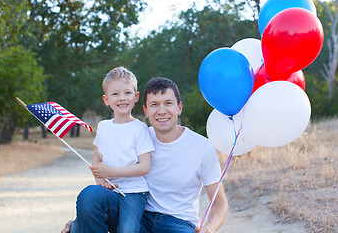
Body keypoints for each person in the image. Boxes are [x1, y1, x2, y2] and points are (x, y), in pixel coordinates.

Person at [62, 77, 228, 233]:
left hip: (178, 222)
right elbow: (102, 168)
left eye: (168, 103)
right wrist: (81, 224)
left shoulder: (202, 147)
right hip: (138, 216)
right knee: (90, 195)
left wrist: (208, 229)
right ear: (145, 111)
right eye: (154, 105)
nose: (162, 111)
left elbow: (219, 203)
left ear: (179, 107)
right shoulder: (137, 136)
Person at [69, 66, 155, 233]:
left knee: (127, 230)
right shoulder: (103, 127)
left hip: (134, 192)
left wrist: (110, 171)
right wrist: (100, 180)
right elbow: (96, 159)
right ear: (106, 99)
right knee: (90, 206)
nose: (122, 98)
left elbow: (145, 167)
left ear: (136, 96)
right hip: (110, 190)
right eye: (115, 94)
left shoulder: (140, 128)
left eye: (127, 93)